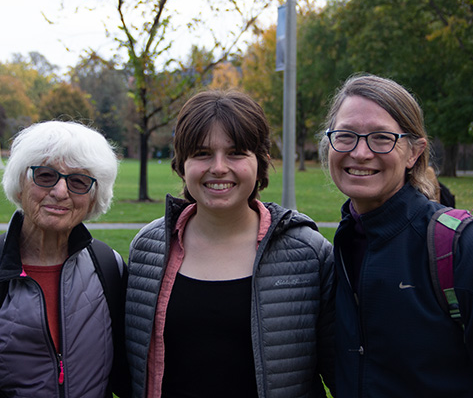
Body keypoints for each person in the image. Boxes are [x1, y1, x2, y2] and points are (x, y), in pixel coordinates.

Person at [125, 90, 335, 397]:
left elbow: (344, 371)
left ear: (261, 162)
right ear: (181, 164)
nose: (219, 167)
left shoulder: (307, 253)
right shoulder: (149, 248)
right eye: (202, 153)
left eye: (236, 152)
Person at [321, 73, 473, 396]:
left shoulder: (466, 247)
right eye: (345, 136)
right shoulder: (340, 248)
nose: (359, 152)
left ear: (414, 153)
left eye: (382, 138)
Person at [0, 121, 130, 397]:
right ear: (20, 184)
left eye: (79, 181)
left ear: (93, 198)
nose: (60, 192)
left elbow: (128, 377)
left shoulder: (109, 267)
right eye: (45, 176)